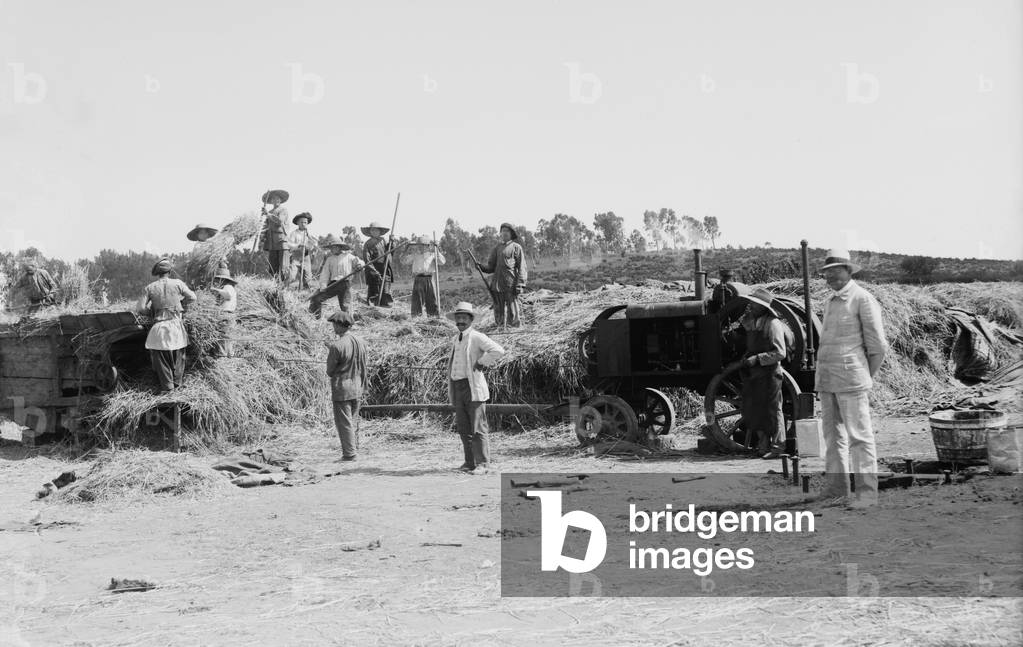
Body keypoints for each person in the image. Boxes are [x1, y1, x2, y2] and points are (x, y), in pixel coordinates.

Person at [815, 249, 887, 508]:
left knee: (860, 437)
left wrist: (863, 376)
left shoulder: (862, 299)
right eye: (827, 273)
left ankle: (867, 494)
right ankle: (837, 489)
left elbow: (878, 347)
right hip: (827, 380)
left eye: (836, 270)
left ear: (849, 271)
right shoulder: (830, 301)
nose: (831, 276)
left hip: (852, 381)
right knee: (832, 438)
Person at [446, 302, 505, 473]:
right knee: (464, 427)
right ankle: (469, 462)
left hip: (472, 386)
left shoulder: (477, 336)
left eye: (464, 318)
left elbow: (498, 350)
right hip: (458, 386)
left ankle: (483, 464)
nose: (461, 321)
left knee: (478, 426)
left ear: (471, 320)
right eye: (458, 318)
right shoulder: (456, 339)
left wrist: (481, 362)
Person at [738, 288, 788, 459]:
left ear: (763, 307)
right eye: (751, 302)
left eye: (754, 303)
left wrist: (758, 359)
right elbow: (749, 342)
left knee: (773, 410)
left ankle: (778, 447)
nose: (750, 305)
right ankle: (762, 445)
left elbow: (780, 353)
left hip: (770, 372)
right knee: (756, 410)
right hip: (755, 373)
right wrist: (746, 358)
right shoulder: (753, 322)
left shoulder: (773, 324)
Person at [142, 258, 196, 392]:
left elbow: (140, 308)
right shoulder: (178, 283)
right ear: (170, 271)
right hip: (176, 327)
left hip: (159, 328)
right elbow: (193, 297)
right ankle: (178, 385)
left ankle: (168, 388)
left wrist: (153, 313)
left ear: (158, 273)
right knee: (179, 358)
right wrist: (181, 305)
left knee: (161, 360)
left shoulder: (150, 287)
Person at [326, 310, 367, 461]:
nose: (333, 328)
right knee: (353, 420)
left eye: (334, 324)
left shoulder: (337, 346)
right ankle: (354, 448)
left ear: (339, 325)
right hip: (358, 386)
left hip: (342, 388)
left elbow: (329, 371)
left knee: (344, 422)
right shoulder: (361, 341)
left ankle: (350, 454)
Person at [477, 223, 526, 326]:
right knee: (498, 308)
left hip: (510, 283)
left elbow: (522, 267)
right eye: (503, 231)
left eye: (507, 231)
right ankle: (500, 327)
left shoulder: (516, 247)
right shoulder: (497, 248)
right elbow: (491, 267)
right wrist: (481, 267)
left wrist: (520, 284)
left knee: (512, 308)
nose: (504, 233)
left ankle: (513, 327)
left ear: (511, 234)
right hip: (497, 284)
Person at [310, 235, 369, 319]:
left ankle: (347, 322)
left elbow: (360, 262)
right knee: (317, 298)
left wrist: (360, 265)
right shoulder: (330, 259)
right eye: (331, 248)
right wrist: (323, 285)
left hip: (345, 283)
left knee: (345, 305)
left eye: (334, 247)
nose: (332, 249)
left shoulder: (348, 256)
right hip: (333, 284)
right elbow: (325, 273)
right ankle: (316, 318)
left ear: (339, 247)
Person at [404, 235, 445, 317]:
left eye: (423, 245)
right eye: (419, 245)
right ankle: (416, 317)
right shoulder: (415, 255)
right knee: (417, 300)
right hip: (418, 279)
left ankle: (433, 317)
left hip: (429, 279)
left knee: (431, 299)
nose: (421, 247)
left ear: (428, 246)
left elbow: (442, 262)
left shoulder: (433, 255)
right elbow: (404, 261)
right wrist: (406, 249)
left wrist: (437, 250)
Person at [361, 221, 394, 306]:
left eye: (376, 230)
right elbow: (367, 259)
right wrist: (374, 271)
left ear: (380, 231)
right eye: (373, 230)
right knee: (374, 288)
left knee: (385, 287)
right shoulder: (367, 244)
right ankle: (373, 306)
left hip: (384, 266)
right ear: (370, 232)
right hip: (372, 268)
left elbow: (390, 251)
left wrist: (392, 242)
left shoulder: (384, 241)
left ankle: (385, 304)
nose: (375, 232)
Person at [260, 189, 290, 281]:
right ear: (271, 201)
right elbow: (265, 227)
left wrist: (267, 214)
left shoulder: (283, 210)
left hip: (281, 242)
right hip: (271, 244)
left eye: (278, 199)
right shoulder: (269, 212)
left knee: (284, 268)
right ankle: (275, 287)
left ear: (280, 200)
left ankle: (285, 288)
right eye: (273, 199)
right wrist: (261, 236)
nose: (276, 201)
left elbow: (279, 221)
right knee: (273, 268)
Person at [209, 267, 238, 357]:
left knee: (222, 337)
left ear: (223, 279)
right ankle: (228, 355)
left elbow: (228, 295)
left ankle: (222, 356)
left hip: (226, 315)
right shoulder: (228, 287)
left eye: (219, 279)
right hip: (228, 315)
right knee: (227, 337)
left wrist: (216, 290)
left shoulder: (227, 287)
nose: (218, 281)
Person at [287, 212, 317, 290]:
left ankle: (306, 292)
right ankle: (285, 289)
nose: (303, 224)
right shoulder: (294, 233)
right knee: (292, 275)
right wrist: (298, 245)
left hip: (306, 257)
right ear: (297, 223)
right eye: (301, 222)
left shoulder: (309, 234)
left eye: (305, 222)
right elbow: (289, 244)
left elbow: (315, 244)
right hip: (296, 257)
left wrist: (309, 238)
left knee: (308, 277)